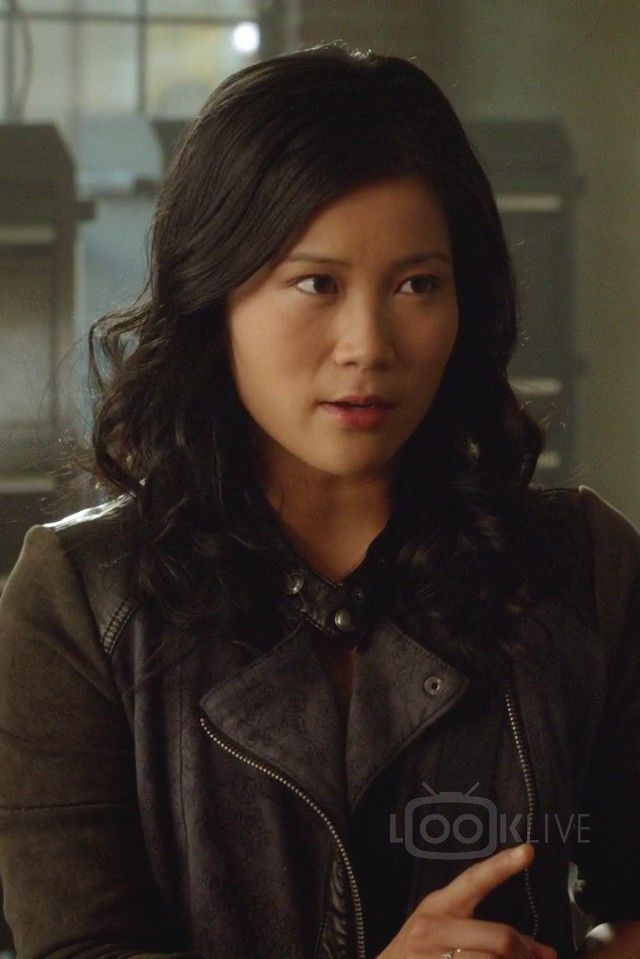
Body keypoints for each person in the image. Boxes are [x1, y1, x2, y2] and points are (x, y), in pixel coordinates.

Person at [0, 41, 638, 959]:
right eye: (316, 283)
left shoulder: (584, 566)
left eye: (417, 284)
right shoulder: (80, 600)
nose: (367, 344)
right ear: (216, 294)